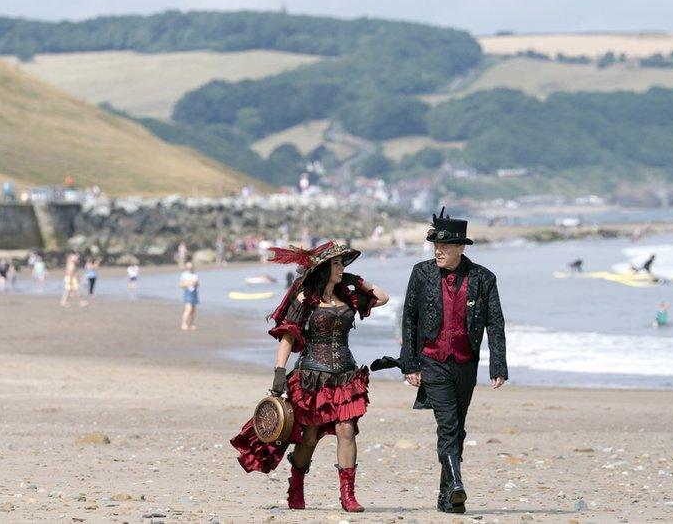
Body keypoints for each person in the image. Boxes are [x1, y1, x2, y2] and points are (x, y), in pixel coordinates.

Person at [230, 241, 389, 513]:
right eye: (337, 264)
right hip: (312, 377)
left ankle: (348, 495)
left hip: (346, 376)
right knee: (310, 437)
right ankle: (296, 484)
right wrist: (279, 373)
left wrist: (358, 280)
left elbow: (383, 297)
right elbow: (288, 335)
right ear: (325, 267)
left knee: (346, 430)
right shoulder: (306, 298)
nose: (342, 269)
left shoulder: (348, 296)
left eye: (343, 264)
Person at [371, 208, 508, 514]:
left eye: (445, 247)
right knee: (447, 425)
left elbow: (495, 323)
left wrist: (497, 365)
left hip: (466, 364)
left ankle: (447, 496)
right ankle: (458, 484)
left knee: (457, 428)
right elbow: (409, 318)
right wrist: (409, 364)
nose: (438, 251)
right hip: (432, 360)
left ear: (461, 248)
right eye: (435, 245)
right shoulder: (421, 273)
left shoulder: (484, 279)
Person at [179, 262, 200, 330]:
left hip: (194, 292)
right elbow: (180, 285)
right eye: (188, 268)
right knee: (188, 309)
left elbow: (198, 284)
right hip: (188, 292)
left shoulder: (195, 274)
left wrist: (195, 283)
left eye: (191, 267)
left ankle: (191, 324)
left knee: (193, 310)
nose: (190, 269)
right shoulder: (184, 275)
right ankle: (184, 324)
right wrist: (188, 283)